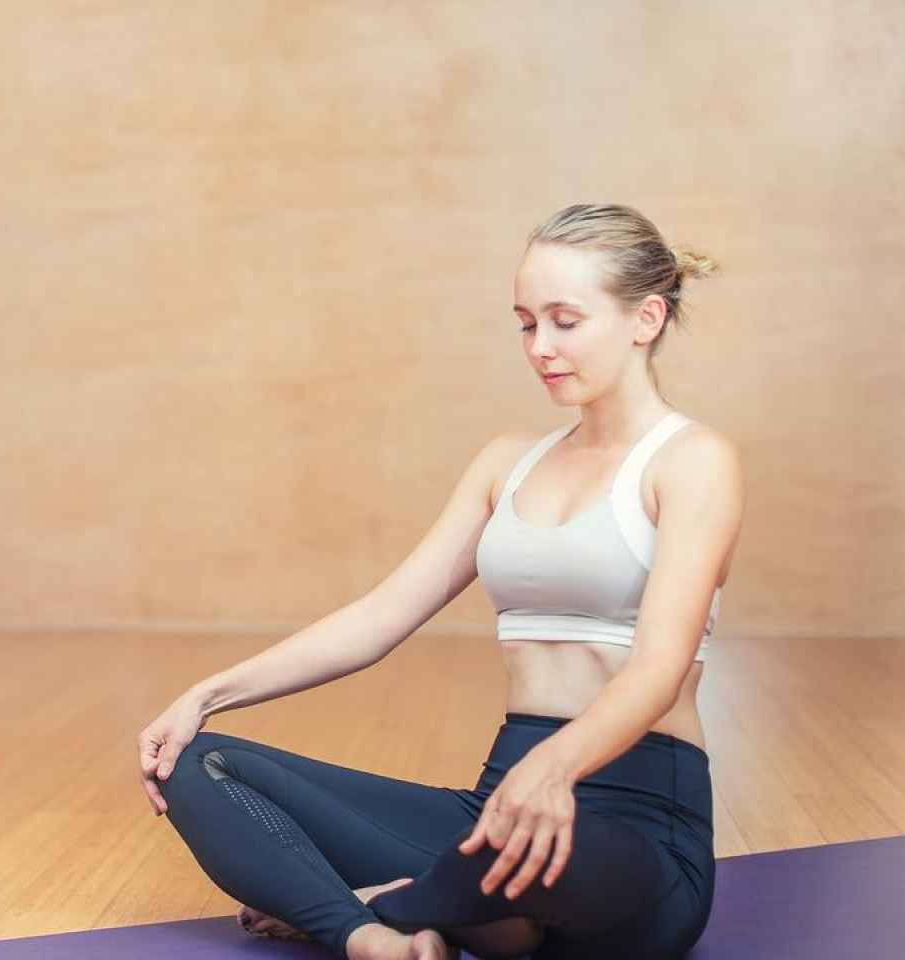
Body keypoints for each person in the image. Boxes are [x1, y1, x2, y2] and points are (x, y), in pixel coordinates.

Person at [135, 203, 744, 960]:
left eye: (565, 321)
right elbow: (381, 615)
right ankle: (371, 935)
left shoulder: (693, 462)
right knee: (201, 764)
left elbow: (660, 666)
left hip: (638, 828)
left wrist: (554, 768)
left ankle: (387, 902)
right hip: (498, 807)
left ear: (645, 318)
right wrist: (207, 694)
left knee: (515, 860)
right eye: (526, 323)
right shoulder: (505, 463)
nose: (540, 347)